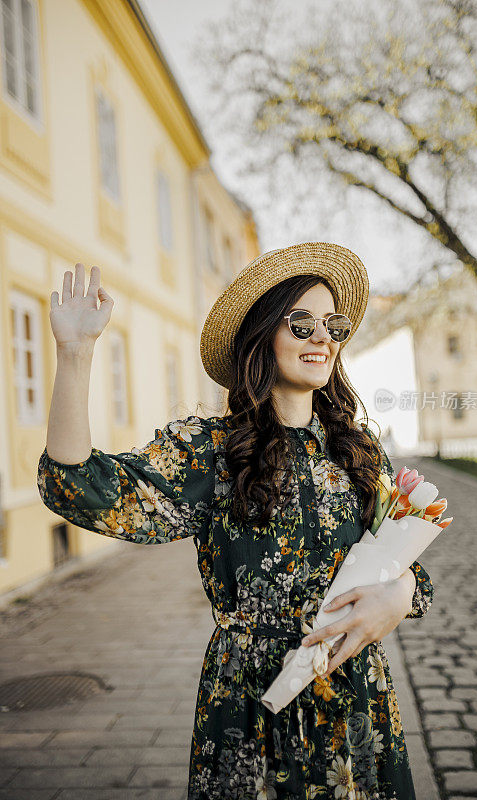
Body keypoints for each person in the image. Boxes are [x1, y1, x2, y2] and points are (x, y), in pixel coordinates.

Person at [37, 242, 434, 800]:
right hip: (252, 706)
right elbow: (78, 486)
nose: (322, 338)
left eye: (334, 326)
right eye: (301, 323)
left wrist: (399, 597)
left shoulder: (358, 451)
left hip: (356, 701)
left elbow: (407, 564)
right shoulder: (213, 451)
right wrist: (74, 354)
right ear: (264, 332)